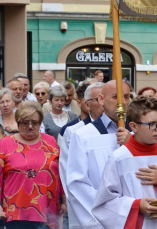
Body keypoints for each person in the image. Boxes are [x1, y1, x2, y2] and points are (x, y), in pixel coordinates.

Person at [92, 96, 157, 228]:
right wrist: (137, 206)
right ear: (133, 126)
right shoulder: (119, 158)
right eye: (152, 124)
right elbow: (104, 205)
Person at [0, 101, 66, 228]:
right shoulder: (5, 144)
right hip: (17, 211)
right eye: (25, 122)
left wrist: (65, 200)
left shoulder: (50, 141)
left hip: (49, 210)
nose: (30, 126)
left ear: (40, 123)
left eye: (35, 122)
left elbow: (60, 172)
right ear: (17, 123)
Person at [66, 80, 131, 228]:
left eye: (126, 97)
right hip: (101, 221)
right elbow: (77, 183)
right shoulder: (83, 136)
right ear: (101, 99)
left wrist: (132, 145)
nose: (123, 103)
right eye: (115, 97)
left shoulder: (138, 133)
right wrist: (103, 217)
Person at [58, 82, 104, 229]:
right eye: (98, 99)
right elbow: (68, 176)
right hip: (85, 211)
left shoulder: (123, 130)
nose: (104, 103)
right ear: (87, 104)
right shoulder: (74, 132)